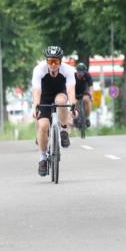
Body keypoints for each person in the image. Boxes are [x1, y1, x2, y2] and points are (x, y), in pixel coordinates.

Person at [31, 45, 77, 176]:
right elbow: (36, 91)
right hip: (44, 96)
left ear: (60, 61)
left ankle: (63, 130)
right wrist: (35, 107)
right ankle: (43, 159)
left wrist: (73, 106)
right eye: (50, 61)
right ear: (46, 61)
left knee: (61, 102)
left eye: (55, 61)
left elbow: (71, 91)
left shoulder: (68, 70)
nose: (52, 64)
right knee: (43, 126)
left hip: (60, 93)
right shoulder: (39, 69)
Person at [73, 61, 94, 128]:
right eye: (79, 72)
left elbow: (91, 86)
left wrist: (91, 95)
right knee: (74, 102)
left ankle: (87, 117)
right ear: (76, 71)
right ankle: (75, 117)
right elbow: (69, 87)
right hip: (74, 93)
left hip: (84, 93)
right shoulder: (73, 76)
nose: (81, 74)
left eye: (82, 72)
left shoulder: (87, 75)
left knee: (87, 100)